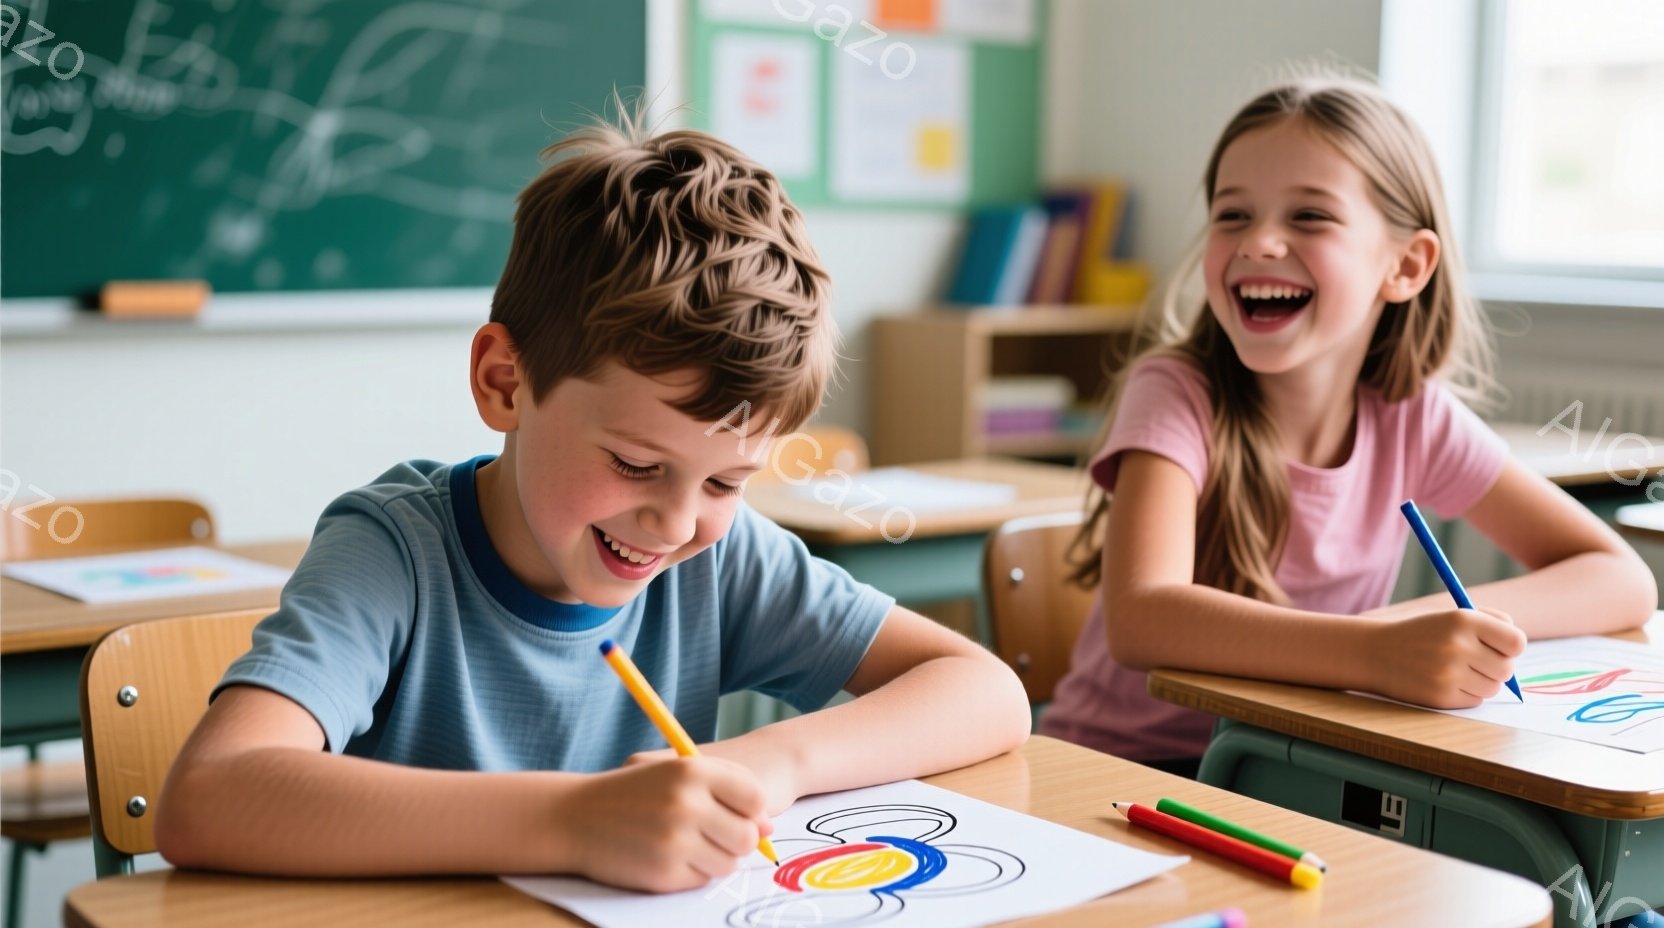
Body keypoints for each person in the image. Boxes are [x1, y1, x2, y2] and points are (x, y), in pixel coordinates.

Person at [155, 107, 1031, 891]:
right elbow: (209, 798)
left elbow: (987, 691)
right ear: (505, 382)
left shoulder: (720, 561)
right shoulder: (394, 553)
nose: (677, 524)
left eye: (725, 482)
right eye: (637, 464)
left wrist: (773, 764)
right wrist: (573, 823)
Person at [1039, 76, 1657, 775]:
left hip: (1288, 762)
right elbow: (1143, 619)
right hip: (1125, 769)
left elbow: (1621, 579)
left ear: (1406, 265)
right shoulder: (1176, 391)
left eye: (1309, 217)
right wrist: (1372, 653)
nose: (1259, 242)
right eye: (1232, 214)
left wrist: (1414, 630)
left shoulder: (1413, 417)